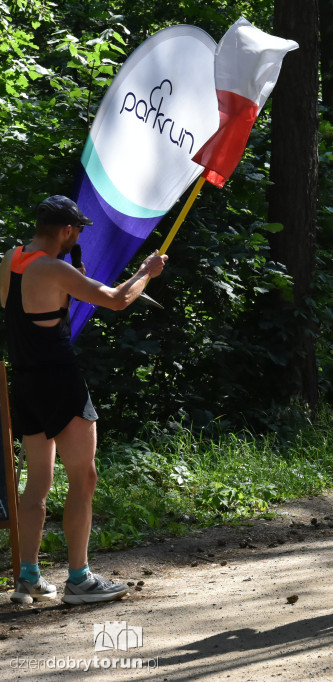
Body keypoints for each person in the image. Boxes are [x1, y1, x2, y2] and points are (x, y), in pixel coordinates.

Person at [1, 196, 167, 604]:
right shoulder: (54, 268)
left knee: (37, 482)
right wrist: (147, 272)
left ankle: (28, 576)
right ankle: (79, 578)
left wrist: (65, 287)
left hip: (23, 383)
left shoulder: (10, 259)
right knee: (84, 477)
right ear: (67, 231)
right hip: (59, 381)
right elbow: (117, 299)